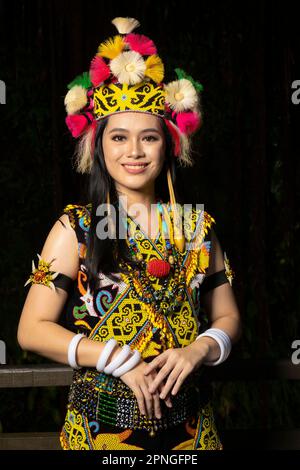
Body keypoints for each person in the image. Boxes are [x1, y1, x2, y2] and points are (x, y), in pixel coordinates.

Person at [17, 17, 241, 450]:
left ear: (170, 144)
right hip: (100, 436)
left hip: (194, 435)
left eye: (149, 138)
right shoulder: (75, 228)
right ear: (98, 145)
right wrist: (116, 359)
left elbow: (229, 317)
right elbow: (31, 329)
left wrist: (199, 349)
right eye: (119, 137)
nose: (134, 152)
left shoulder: (197, 227)